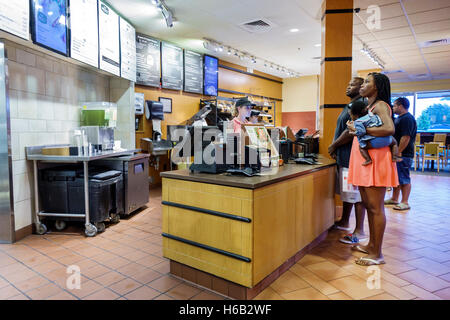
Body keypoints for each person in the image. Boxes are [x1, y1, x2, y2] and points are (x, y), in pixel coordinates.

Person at [347, 72, 399, 266]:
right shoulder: (370, 106)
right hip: (367, 161)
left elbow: (389, 129)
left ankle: (377, 254)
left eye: (367, 82)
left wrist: (360, 130)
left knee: (376, 208)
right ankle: (371, 245)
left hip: (376, 162)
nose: (363, 85)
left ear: (376, 87)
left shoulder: (381, 106)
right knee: (369, 205)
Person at [328, 77, 367, 245]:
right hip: (345, 156)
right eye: (348, 83)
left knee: (356, 194)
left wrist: (333, 145)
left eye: (352, 85)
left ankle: (359, 230)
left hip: (352, 157)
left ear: (361, 88)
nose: (348, 87)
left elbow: (350, 130)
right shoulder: (350, 105)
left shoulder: (359, 106)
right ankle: (345, 221)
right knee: (348, 192)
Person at [384, 97, 417, 211]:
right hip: (398, 154)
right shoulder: (400, 118)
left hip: (404, 154)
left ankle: (405, 202)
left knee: (404, 178)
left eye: (394, 106)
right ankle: (394, 198)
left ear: (401, 106)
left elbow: (406, 137)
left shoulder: (407, 119)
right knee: (397, 177)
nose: (393, 108)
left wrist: (399, 152)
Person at [347, 100, 401, 166]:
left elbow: (362, 132)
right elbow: (380, 122)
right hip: (388, 139)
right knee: (395, 142)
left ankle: (368, 159)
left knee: (361, 147)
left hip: (375, 141)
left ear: (355, 115)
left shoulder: (358, 122)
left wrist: (353, 132)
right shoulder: (372, 115)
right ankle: (394, 157)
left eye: (351, 115)